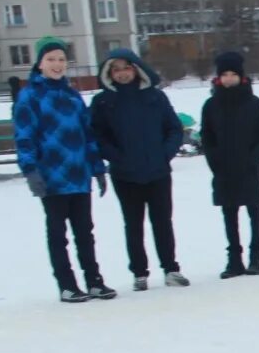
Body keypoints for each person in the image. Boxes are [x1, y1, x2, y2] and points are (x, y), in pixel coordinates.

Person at [13, 36, 115, 303]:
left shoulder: (72, 96)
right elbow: (24, 137)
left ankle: (94, 281)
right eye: (51, 60)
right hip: (51, 177)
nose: (57, 65)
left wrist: (97, 168)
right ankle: (67, 284)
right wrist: (30, 170)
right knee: (58, 233)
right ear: (40, 63)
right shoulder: (30, 97)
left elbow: (87, 134)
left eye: (61, 60)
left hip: (78, 174)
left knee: (85, 231)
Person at [90, 48, 188, 292]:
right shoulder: (103, 102)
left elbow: (174, 129)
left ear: (136, 68)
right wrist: (116, 157)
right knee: (133, 224)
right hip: (125, 174)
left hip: (157, 171)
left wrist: (165, 154)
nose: (122, 74)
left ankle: (171, 268)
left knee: (162, 221)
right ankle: (139, 272)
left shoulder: (155, 97)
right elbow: (97, 135)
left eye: (126, 68)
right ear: (109, 73)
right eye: (116, 69)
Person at [201, 50, 259, 278]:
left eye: (233, 74)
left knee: (253, 211)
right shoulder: (210, 106)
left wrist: (254, 160)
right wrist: (215, 162)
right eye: (225, 74)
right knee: (229, 214)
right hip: (224, 171)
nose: (229, 79)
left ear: (241, 76)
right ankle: (234, 259)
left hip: (249, 169)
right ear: (218, 78)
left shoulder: (254, 104)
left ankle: (256, 257)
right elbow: (207, 138)